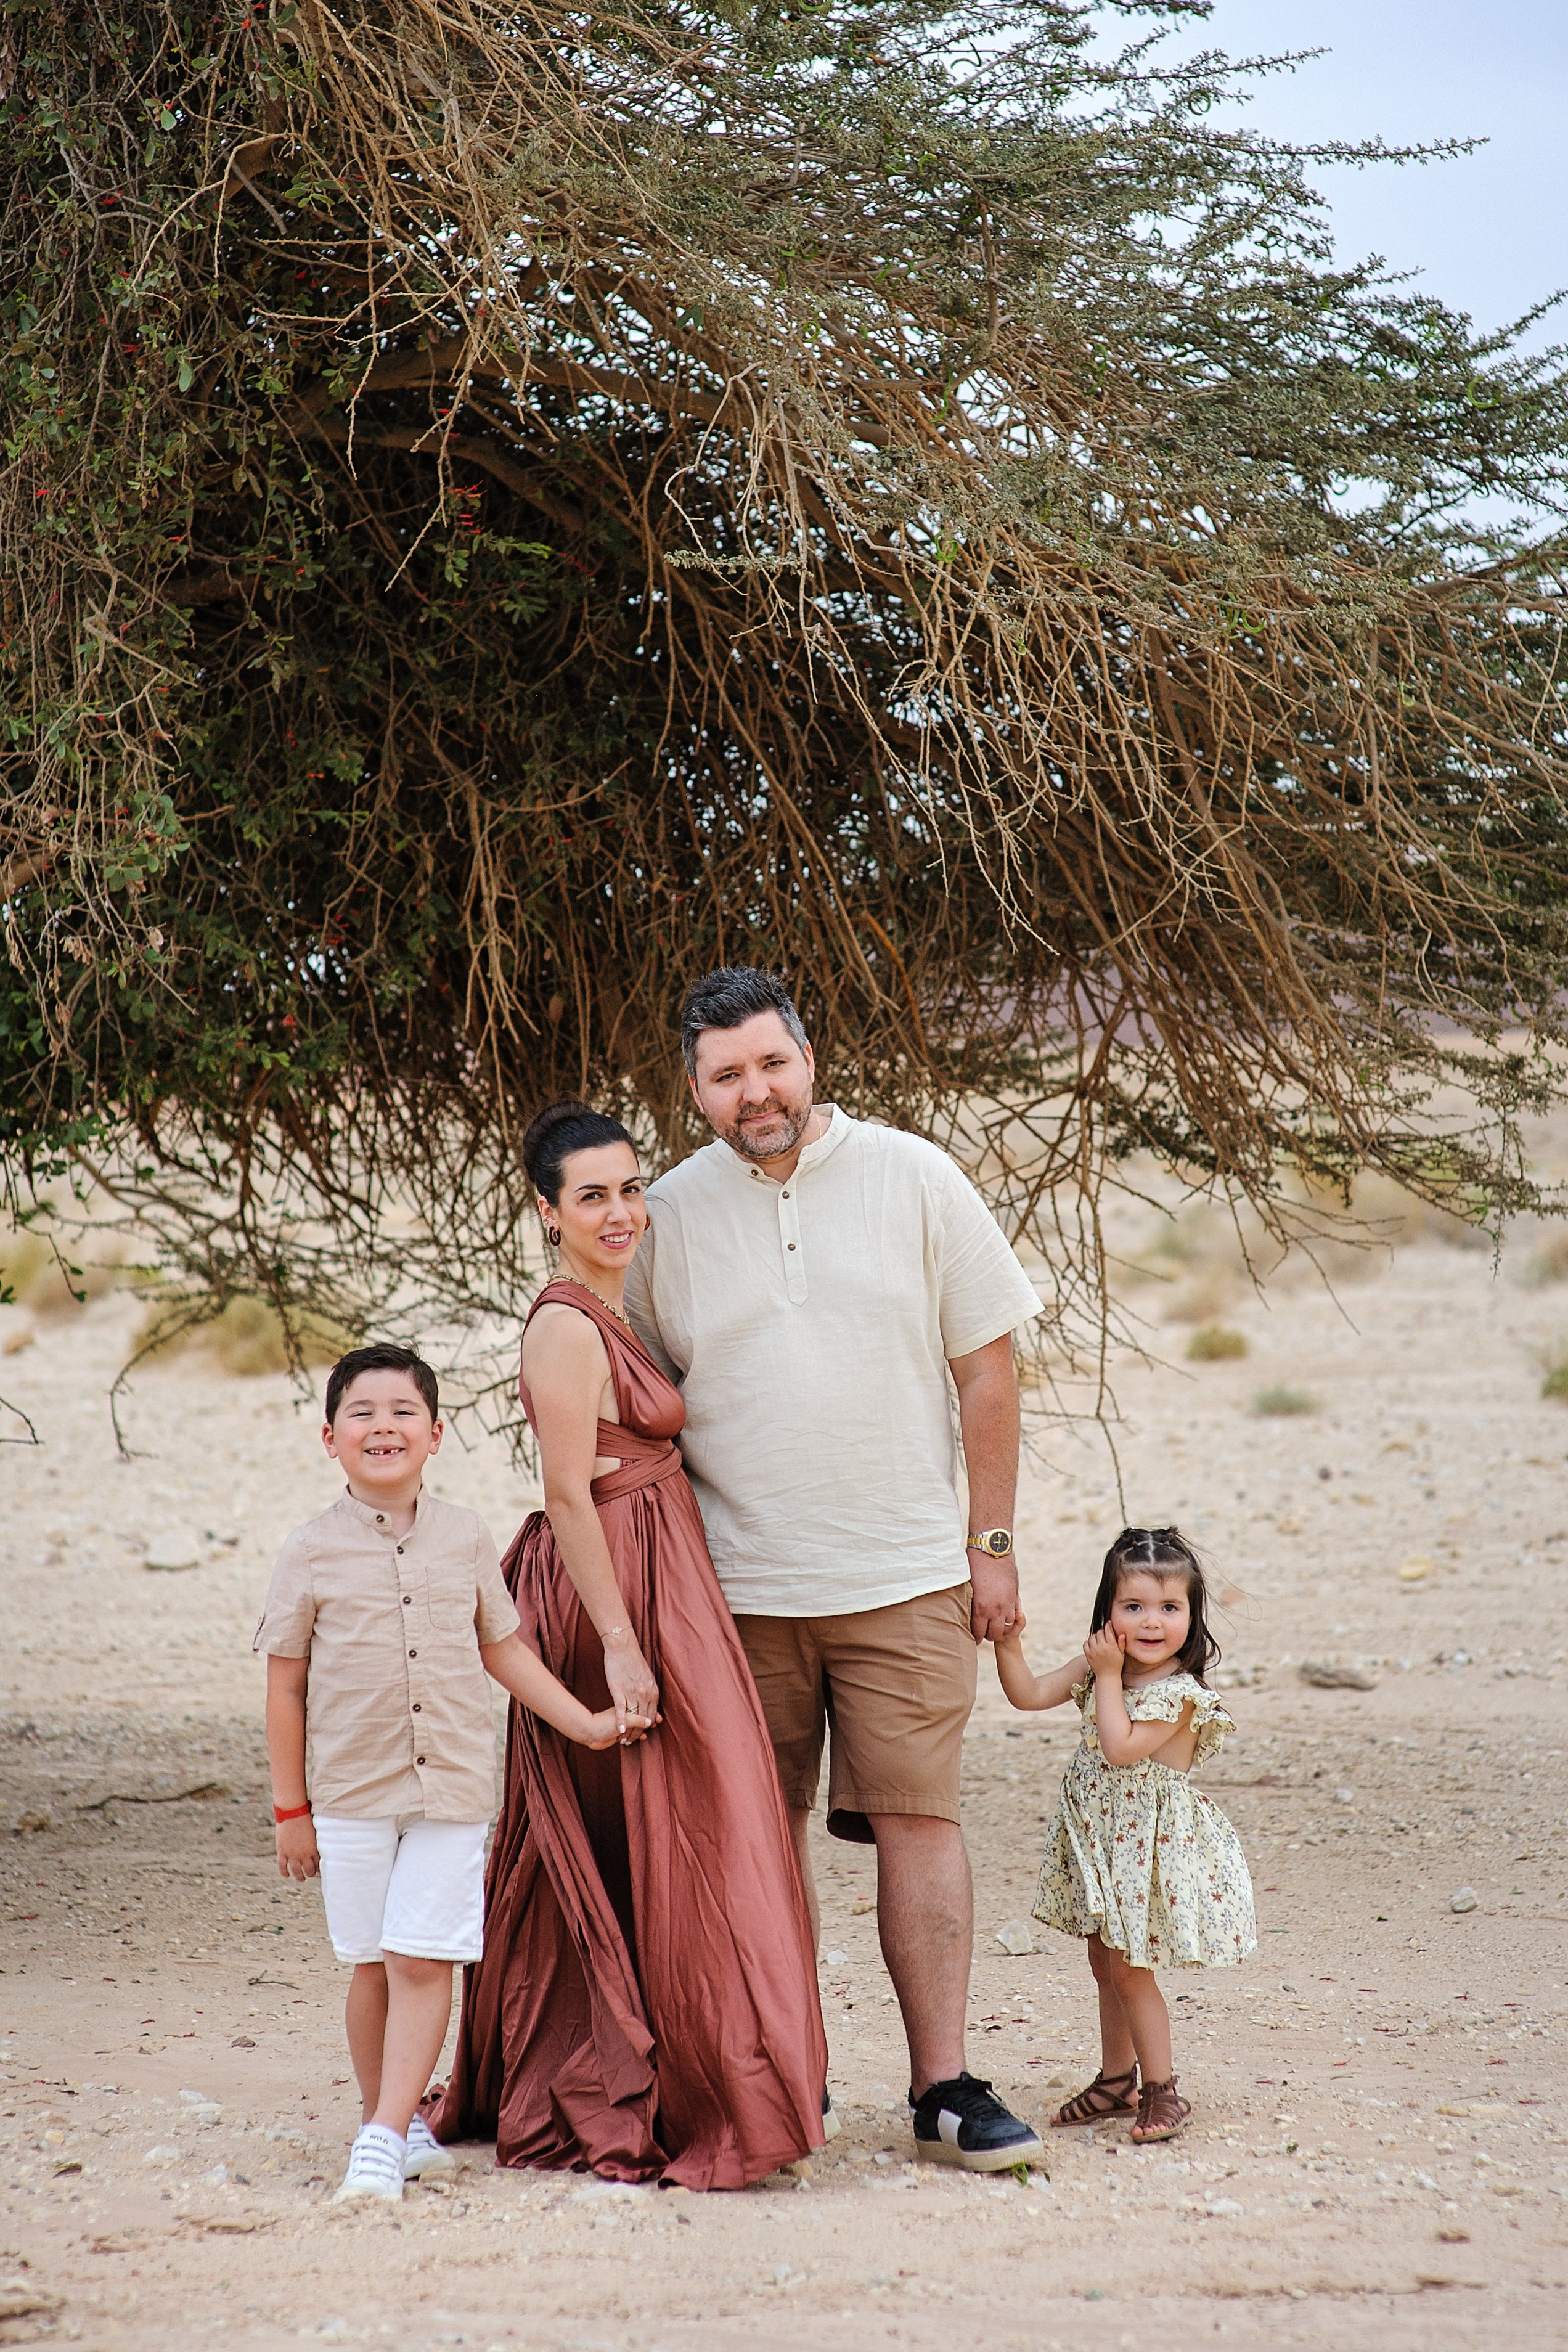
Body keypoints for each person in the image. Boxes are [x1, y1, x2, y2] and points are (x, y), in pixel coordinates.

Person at [625, 965, 1048, 2171]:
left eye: (772, 1063)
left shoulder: (916, 1177)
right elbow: (637, 1400)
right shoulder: (667, 1214)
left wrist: (993, 1545)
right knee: (756, 1841)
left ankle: (946, 2089)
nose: (755, 1091)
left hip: (908, 1575)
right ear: (695, 1088)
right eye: (726, 1075)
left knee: (921, 1821)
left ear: (809, 1059)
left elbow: (989, 1371)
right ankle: (778, 2087)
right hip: (734, 1595)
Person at [433, 1101, 828, 2189]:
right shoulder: (563, 1324)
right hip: (612, 1586)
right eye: (591, 1195)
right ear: (548, 1210)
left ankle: (716, 2074)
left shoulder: (618, 1306)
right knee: (679, 1823)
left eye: (630, 1187)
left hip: (665, 1574)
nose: (619, 1212)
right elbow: (565, 1493)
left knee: (699, 1821)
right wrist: (616, 1642)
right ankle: (665, 2082)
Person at [257, 1342, 637, 2205]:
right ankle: (387, 2120)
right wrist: (291, 1809)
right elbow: (285, 1684)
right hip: (353, 1792)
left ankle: (386, 2137)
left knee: (422, 1957)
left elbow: (501, 1645)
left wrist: (581, 1723)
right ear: (329, 1438)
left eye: (402, 1414)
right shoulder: (309, 1551)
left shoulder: (467, 1537)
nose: (382, 1427)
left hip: (454, 1789)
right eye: (362, 1413)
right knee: (369, 1963)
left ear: (436, 1434)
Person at [994, 1525, 1256, 2143]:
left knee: (1133, 1968)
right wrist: (1009, 1642)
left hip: (1152, 1848)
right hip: (1103, 1840)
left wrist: (1107, 1675)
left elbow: (1119, 1748)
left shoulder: (1181, 1696)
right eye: (1133, 1606)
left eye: (1169, 1608)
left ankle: (1163, 2090)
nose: (1150, 1621)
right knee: (1104, 1960)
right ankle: (1117, 2080)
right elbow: (1028, 1695)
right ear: (1108, 1611)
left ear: (1193, 1617)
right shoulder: (1103, 1667)